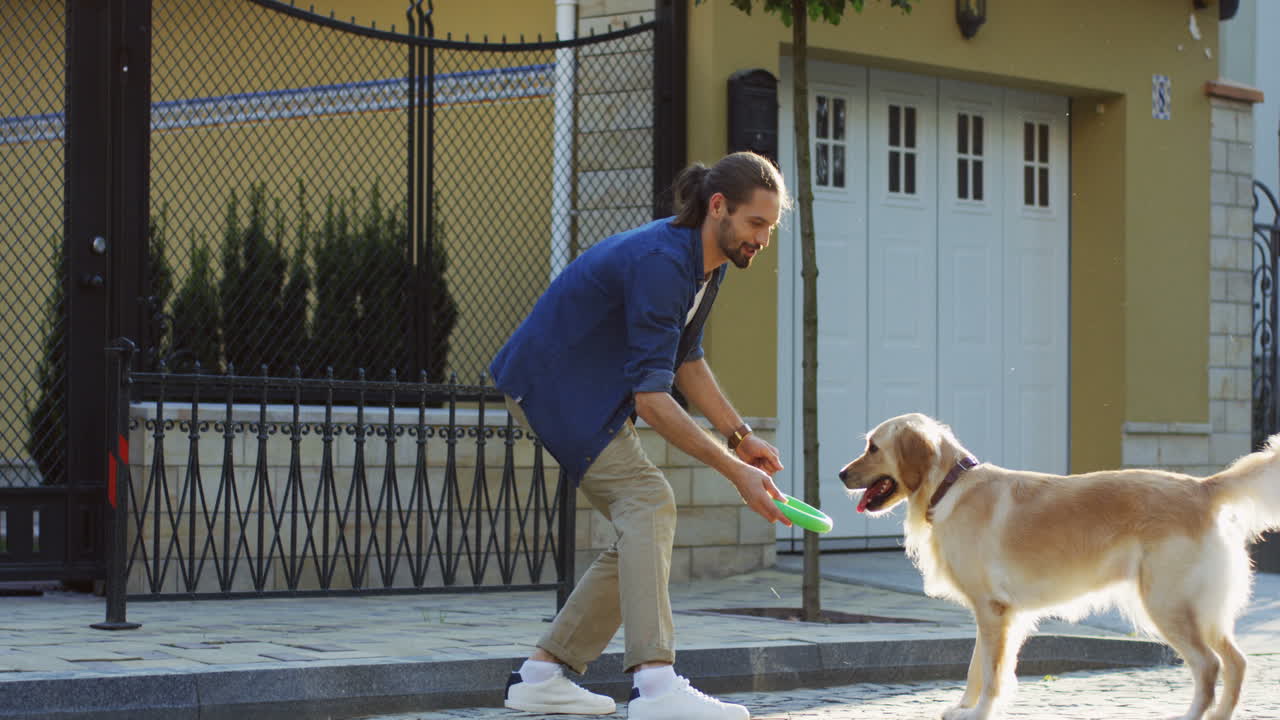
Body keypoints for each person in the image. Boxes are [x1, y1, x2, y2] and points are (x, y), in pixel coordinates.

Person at [492, 151, 793, 720]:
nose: (763, 239)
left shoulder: (708, 262)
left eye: (771, 228)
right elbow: (653, 402)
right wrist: (737, 473)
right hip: (554, 386)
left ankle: (541, 675)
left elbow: (686, 359)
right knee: (649, 501)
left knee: (643, 521)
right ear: (719, 206)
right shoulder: (663, 263)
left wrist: (739, 436)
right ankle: (655, 689)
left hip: (580, 388)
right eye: (756, 223)